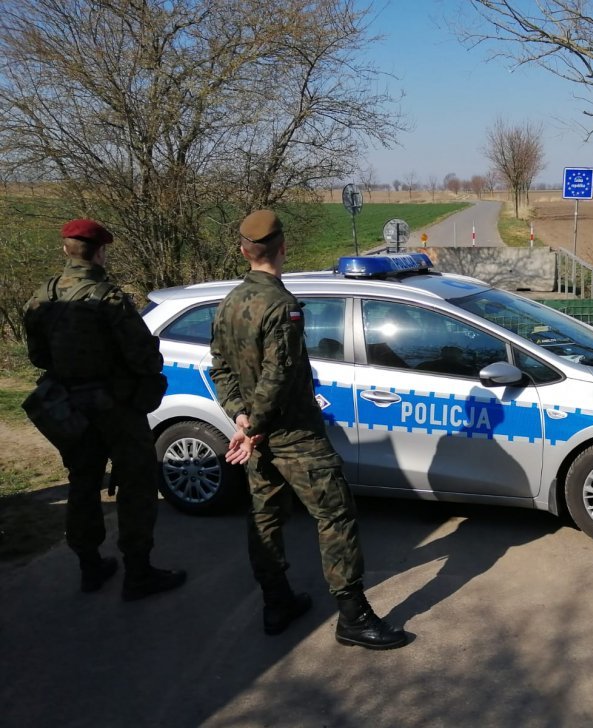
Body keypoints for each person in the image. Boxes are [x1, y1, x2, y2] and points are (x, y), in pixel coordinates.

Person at [209, 209, 407, 648]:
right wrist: (255, 425)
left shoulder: (228, 304)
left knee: (265, 519)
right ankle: (353, 618)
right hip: (294, 435)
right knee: (335, 515)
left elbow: (219, 369)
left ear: (244, 251)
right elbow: (279, 374)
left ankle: (277, 602)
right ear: (282, 248)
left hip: (257, 437)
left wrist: (240, 418)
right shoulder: (282, 306)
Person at [22, 219, 187, 599]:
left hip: (69, 407)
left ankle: (90, 567)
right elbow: (145, 358)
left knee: (83, 481)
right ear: (100, 251)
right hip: (116, 408)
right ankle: (138, 572)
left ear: (66, 250)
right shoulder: (108, 299)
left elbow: (36, 356)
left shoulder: (42, 296)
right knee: (135, 484)